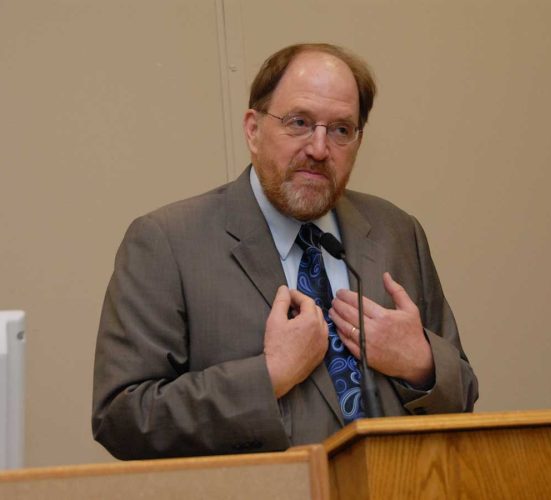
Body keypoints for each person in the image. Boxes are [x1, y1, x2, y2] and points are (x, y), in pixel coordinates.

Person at [92, 43, 478, 460]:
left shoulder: (396, 231)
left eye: (341, 130)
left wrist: (420, 363)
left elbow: (463, 393)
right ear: (253, 130)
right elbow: (123, 418)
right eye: (299, 122)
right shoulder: (167, 242)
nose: (318, 148)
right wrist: (267, 375)